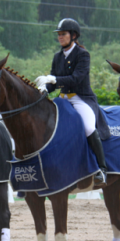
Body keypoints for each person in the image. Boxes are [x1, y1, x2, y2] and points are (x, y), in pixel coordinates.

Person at [35, 18, 110, 185]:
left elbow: (76, 79)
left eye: (63, 34)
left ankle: (102, 169)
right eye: (59, 35)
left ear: (73, 35)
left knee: (89, 127)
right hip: (63, 99)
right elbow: (54, 82)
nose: (60, 37)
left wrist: (53, 79)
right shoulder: (57, 57)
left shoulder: (83, 55)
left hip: (81, 98)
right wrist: (45, 88)